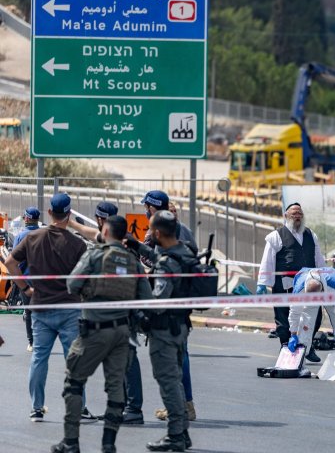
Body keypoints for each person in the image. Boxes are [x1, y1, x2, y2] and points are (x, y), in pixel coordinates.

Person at [51, 216, 153, 453]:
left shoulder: (95, 255)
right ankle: (108, 444)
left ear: (105, 231)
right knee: (116, 388)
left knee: (74, 382)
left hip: (94, 330)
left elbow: (72, 284)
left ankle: (71, 441)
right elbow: (146, 297)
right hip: (122, 334)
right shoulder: (132, 261)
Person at [4, 194, 95, 423]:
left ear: (50, 213)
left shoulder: (33, 237)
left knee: (39, 358)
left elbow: (10, 263)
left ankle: (36, 407)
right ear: (69, 213)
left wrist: (25, 289)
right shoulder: (77, 244)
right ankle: (79, 407)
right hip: (69, 308)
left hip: (40, 306)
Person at [126, 210, 195, 452]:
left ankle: (175, 434)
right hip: (180, 326)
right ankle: (182, 431)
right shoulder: (182, 251)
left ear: (157, 232)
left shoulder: (168, 263)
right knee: (174, 379)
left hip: (165, 330)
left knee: (167, 382)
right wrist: (138, 246)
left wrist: (137, 304)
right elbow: (160, 260)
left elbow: (159, 300)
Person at [137, 191, 198, 424]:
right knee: (180, 357)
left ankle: (179, 410)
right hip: (183, 302)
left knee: (169, 362)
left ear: (153, 209)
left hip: (167, 303)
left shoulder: (157, 231)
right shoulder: (186, 232)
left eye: (147, 207)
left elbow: (154, 260)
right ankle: (183, 406)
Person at [256, 203, 326, 362]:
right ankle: (285, 346)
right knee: (284, 317)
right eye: (294, 213)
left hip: (309, 284)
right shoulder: (276, 236)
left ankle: (307, 346)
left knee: (315, 316)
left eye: (300, 213)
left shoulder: (310, 234)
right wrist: (262, 282)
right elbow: (267, 260)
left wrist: (324, 277)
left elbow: (318, 259)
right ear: (286, 216)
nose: (297, 215)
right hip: (284, 284)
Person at [287, 267, 335, 362]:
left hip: (330, 294)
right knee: (306, 323)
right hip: (308, 287)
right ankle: (302, 355)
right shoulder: (299, 290)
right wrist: (293, 334)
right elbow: (294, 313)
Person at [13, 206, 41, 352]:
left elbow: (13, 260)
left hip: (26, 279)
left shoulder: (21, 236)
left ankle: (31, 342)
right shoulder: (44, 233)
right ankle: (42, 339)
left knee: (29, 311)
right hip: (44, 278)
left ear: (27, 218)